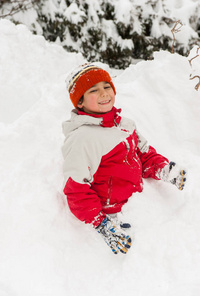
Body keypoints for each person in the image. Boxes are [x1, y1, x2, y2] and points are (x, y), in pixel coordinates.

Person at [62, 63, 186, 255]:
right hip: (113, 215)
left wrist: (162, 168)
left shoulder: (124, 124)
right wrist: (102, 224)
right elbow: (76, 190)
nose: (104, 93)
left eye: (107, 86)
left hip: (138, 204)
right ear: (80, 102)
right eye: (93, 90)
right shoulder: (82, 138)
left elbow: (142, 153)